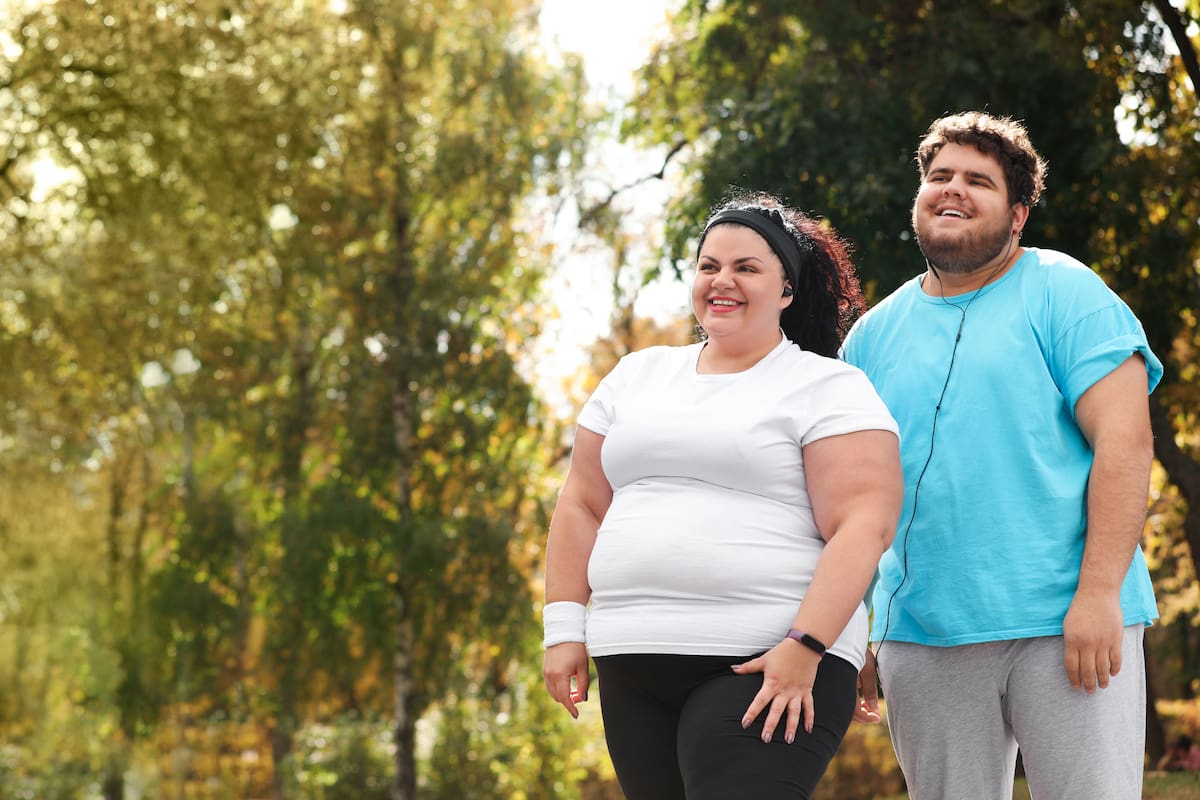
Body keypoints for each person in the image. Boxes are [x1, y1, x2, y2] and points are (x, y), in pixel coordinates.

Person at [840, 111, 1163, 800]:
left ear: (1016, 215)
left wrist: (1100, 594)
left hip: (1066, 623)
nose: (952, 189)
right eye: (939, 176)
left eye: (977, 181)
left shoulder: (1066, 292)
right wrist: (853, 624)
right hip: (922, 635)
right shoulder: (869, 339)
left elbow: (1126, 442)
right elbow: (853, 498)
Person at [541, 191, 903, 799]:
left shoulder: (828, 387)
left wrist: (806, 645)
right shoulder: (636, 375)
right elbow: (581, 502)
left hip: (767, 662)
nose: (722, 281)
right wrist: (563, 629)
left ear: (787, 290)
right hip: (634, 663)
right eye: (709, 266)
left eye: (746, 268)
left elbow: (864, 524)